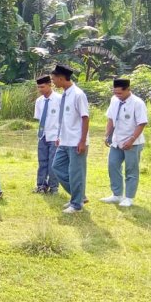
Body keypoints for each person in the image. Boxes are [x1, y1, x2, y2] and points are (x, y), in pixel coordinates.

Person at [100, 78, 148, 208]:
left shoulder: (137, 103)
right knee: (113, 165)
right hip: (117, 140)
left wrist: (131, 140)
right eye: (115, 92)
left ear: (128, 90)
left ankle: (129, 197)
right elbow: (110, 119)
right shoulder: (114, 100)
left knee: (131, 169)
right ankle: (117, 195)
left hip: (133, 142)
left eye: (120, 93)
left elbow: (141, 123)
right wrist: (107, 135)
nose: (117, 95)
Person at [50, 64, 90, 214]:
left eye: (54, 79)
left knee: (76, 173)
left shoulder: (78, 95)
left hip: (76, 142)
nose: (53, 82)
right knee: (57, 167)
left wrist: (82, 141)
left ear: (61, 78)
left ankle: (77, 205)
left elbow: (85, 118)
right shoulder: (65, 95)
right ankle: (79, 196)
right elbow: (64, 118)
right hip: (64, 140)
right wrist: (59, 135)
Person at [33, 75, 61, 194]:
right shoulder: (39, 101)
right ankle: (41, 185)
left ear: (50, 85)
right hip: (43, 135)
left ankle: (53, 187)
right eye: (38, 87)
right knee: (42, 161)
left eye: (43, 87)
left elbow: (63, 119)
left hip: (55, 136)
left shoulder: (59, 99)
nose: (40, 89)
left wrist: (60, 135)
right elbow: (40, 119)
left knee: (53, 163)